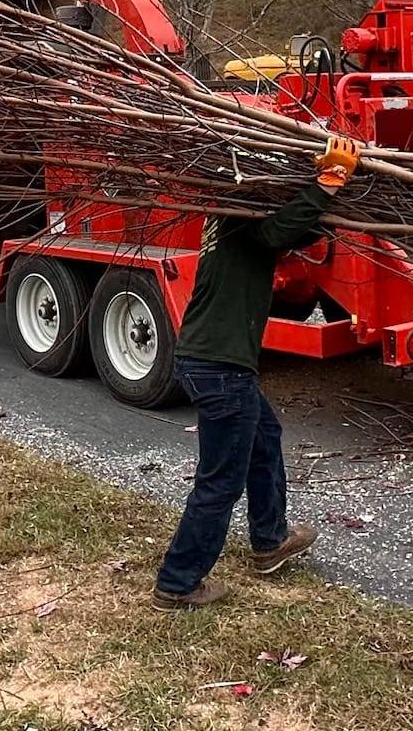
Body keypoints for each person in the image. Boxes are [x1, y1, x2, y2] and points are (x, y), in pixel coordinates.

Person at [154, 133, 361, 610]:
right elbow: (274, 233)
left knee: (264, 437)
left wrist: (322, 197)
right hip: (220, 368)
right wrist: (327, 184)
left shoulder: (227, 214)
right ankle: (177, 582)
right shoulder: (239, 216)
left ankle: (270, 541)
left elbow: (290, 232)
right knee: (220, 480)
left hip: (212, 363)